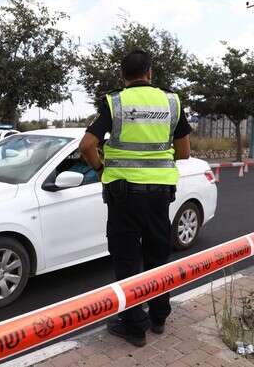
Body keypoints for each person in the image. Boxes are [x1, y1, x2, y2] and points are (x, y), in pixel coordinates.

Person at [79, 49, 191, 347]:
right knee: (158, 257)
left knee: (127, 261)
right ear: (150, 73)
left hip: (122, 196)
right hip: (159, 196)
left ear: (122, 76)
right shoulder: (171, 101)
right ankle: (158, 318)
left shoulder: (114, 102)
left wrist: (102, 169)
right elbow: (184, 152)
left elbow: (87, 145)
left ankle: (134, 326)